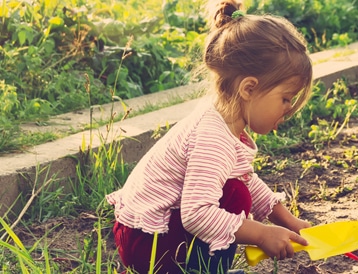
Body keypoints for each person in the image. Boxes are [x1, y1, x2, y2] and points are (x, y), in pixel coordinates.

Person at [106, 0, 314, 273]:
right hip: (148, 241)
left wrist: (289, 221)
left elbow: (246, 178)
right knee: (234, 195)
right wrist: (262, 234)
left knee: (236, 189)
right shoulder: (211, 137)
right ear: (249, 89)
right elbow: (196, 215)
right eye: (286, 99)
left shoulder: (225, 122)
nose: (288, 110)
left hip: (153, 233)